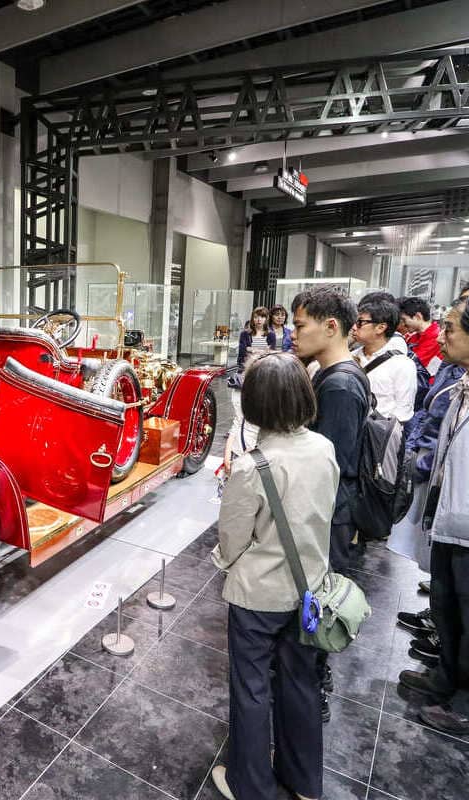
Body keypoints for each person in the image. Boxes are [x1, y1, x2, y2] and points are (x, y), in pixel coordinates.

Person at [211, 351, 339, 800]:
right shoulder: (324, 450)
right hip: (310, 591)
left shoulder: (252, 465)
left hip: (257, 596)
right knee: (300, 683)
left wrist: (227, 564)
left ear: (255, 404)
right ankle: (305, 781)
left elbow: (232, 539)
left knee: (251, 688)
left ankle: (251, 784)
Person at [291, 289, 369, 720]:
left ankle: (312, 689)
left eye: (301, 325)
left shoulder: (339, 384)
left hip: (329, 518)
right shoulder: (332, 374)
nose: (294, 333)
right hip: (327, 515)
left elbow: (331, 467)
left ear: (331, 326)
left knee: (316, 608)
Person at [398, 297, 469, 735]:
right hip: (450, 516)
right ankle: (446, 679)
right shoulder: (459, 385)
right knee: (446, 604)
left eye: (451, 328)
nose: (441, 337)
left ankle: (462, 705)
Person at [352, 295, 417, 423]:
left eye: (360, 322)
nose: (354, 327)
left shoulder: (402, 365)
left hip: (378, 436)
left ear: (381, 327)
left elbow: (403, 412)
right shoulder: (350, 357)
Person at [399, 296, 443, 379]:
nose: (403, 324)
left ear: (418, 316)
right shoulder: (413, 337)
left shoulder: (436, 340)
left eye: (404, 320)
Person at [237, 306, 276, 371]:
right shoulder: (244, 334)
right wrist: (263, 351)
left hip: (264, 367)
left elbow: (270, 354)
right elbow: (242, 351)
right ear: (252, 319)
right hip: (247, 367)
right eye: (256, 317)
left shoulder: (271, 334)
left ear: (266, 319)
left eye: (262, 317)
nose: (259, 320)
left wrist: (251, 349)